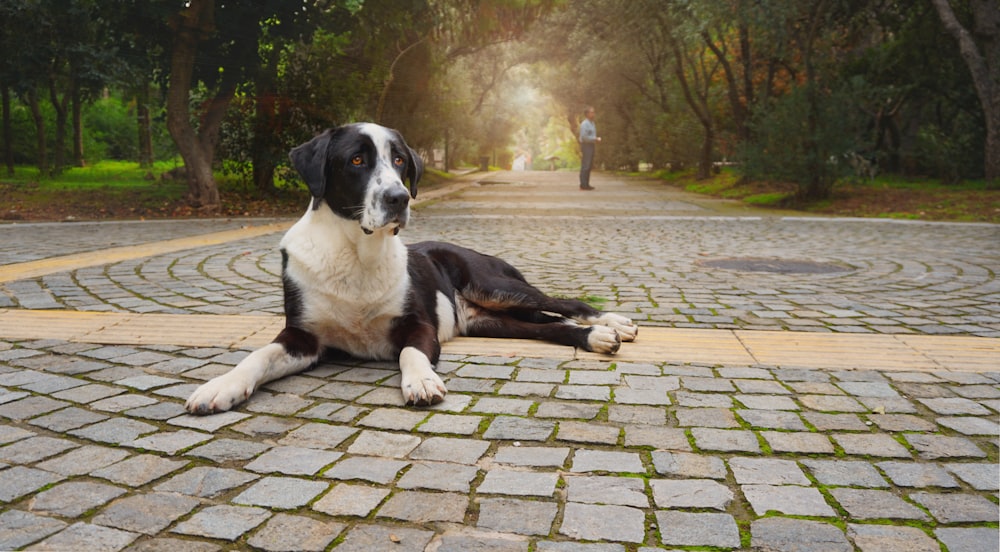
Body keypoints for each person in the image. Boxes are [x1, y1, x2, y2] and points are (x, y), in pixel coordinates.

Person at [578, 106, 600, 190]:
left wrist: (594, 139)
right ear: (587, 114)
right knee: (586, 165)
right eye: (591, 112)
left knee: (589, 165)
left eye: (593, 112)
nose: (593, 114)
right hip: (586, 145)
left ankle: (586, 183)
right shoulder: (585, 124)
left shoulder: (592, 123)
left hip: (591, 145)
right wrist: (595, 139)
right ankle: (583, 184)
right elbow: (584, 137)